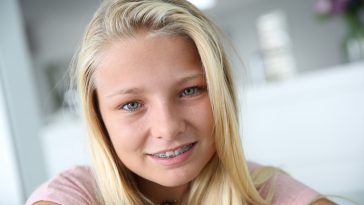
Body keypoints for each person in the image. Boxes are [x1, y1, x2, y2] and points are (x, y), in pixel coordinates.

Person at [27, 0, 336, 204]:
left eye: (190, 91)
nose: (168, 127)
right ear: (98, 117)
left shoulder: (265, 190)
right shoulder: (73, 195)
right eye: (131, 104)